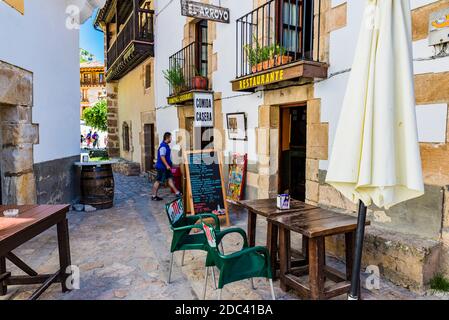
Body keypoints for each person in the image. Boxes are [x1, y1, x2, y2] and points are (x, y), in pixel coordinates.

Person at [152, 132, 182, 201]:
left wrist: (170, 164)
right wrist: (167, 165)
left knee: (170, 179)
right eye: (170, 138)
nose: (171, 139)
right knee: (158, 181)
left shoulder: (166, 146)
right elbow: (162, 157)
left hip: (166, 167)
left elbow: (167, 157)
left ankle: (177, 193)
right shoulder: (163, 146)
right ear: (167, 138)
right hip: (162, 167)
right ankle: (154, 196)